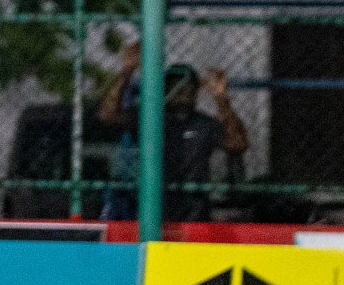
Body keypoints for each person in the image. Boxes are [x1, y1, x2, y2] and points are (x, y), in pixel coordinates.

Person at [97, 49, 249, 222]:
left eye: (188, 86)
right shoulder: (149, 120)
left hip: (193, 209)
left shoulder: (204, 123)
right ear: (165, 88)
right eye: (175, 84)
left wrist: (221, 99)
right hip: (152, 206)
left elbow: (238, 144)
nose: (182, 90)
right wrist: (127, 71)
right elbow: (107, 116)